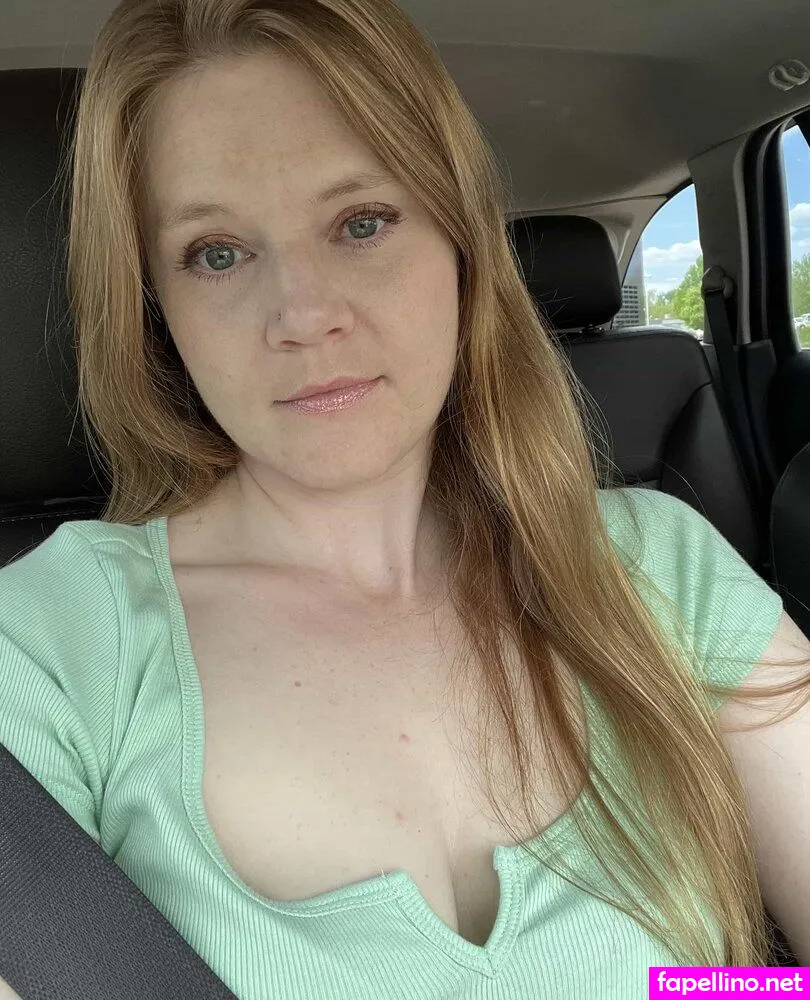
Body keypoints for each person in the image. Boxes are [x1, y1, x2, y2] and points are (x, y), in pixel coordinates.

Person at [1, 0, 809, 997]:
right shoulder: (48, 649)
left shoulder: (663, 568)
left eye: (362, 222)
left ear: (461, 244)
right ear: (155, 305)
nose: (304, 315)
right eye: (216, 252)